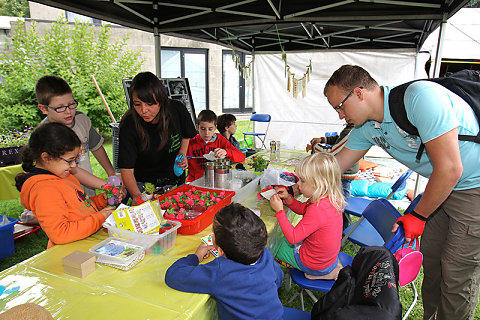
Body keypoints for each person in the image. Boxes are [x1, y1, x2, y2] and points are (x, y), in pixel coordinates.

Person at [324, 64, 480, 320]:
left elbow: (451, 168)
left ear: (359, 93)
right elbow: (336, 165)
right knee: (432, 264)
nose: (340, 115)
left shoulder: (421, 98)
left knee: (456, 275)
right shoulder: (368, 128)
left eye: (340, 106)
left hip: (473, 186)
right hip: (440, 188)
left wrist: (417, 216)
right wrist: (299, 184)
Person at [165, 203, 284, 320]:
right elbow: (278, 278)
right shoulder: (265, 254)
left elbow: (173, 275)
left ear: (220, 251)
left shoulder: (221, 271)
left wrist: (196, 256)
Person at [15, 122, 116, 249]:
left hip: (86, 243)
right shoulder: (44, 190)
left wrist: (101, 200)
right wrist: (100, 217)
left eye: (75, 160)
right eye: (69, 161)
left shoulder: (64, 175)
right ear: (46, 157)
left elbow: (79, 207)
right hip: (69, 253)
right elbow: (60, 234)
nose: (74, 165)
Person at [118, 72, 197, 205]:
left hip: (174, 180)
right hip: (144, 185)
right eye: (137, 104)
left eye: (150, 104)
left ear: (161, 100)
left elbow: (186, 135)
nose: (144, 110)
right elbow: (126, 170)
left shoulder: (177, 109)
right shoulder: (129, 125)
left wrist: (182, 153)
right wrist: (138, 198)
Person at [36, 75, 116, 197]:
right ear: (44, 109)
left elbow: (96, 147)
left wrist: (111, 173)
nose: (68, 111)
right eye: (60, 108)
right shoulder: (45, 134)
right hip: (63, 195)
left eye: (71, 104)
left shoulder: (82, 120)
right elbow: (73, 170)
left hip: (87, 193)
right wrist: (106, 186)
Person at [269, 152, 345, 280]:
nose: (298, 184)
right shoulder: (329, 199)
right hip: (328, 259)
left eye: (302, 181)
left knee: (273, 245)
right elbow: (304, 209)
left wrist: (280, 212)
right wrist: (288, 199)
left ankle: (322, 274)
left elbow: (293, 237)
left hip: (314, 264)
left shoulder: (318, 210)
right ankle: (329, 269)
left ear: (319, 184)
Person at [186, 110, 245, 182]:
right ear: (197, 127)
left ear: (215, 127)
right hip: (194, 182)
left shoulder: (220, 140)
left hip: (216, 181)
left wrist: (226, 152)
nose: (207, 133)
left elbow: (241, 157)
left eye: (210, 129)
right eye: (203, 129)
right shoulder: (190, 142)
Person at [307, 123, 359, 198]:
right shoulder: (351, 128)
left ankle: (341, 208)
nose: (341, 117)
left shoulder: (352, 131)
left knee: (342, 195)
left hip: (345, 172)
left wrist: (315, 146)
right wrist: (323, 140)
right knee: (339, 193)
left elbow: (331, 152)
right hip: (344, 170)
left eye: (340, 112)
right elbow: (340, 139)